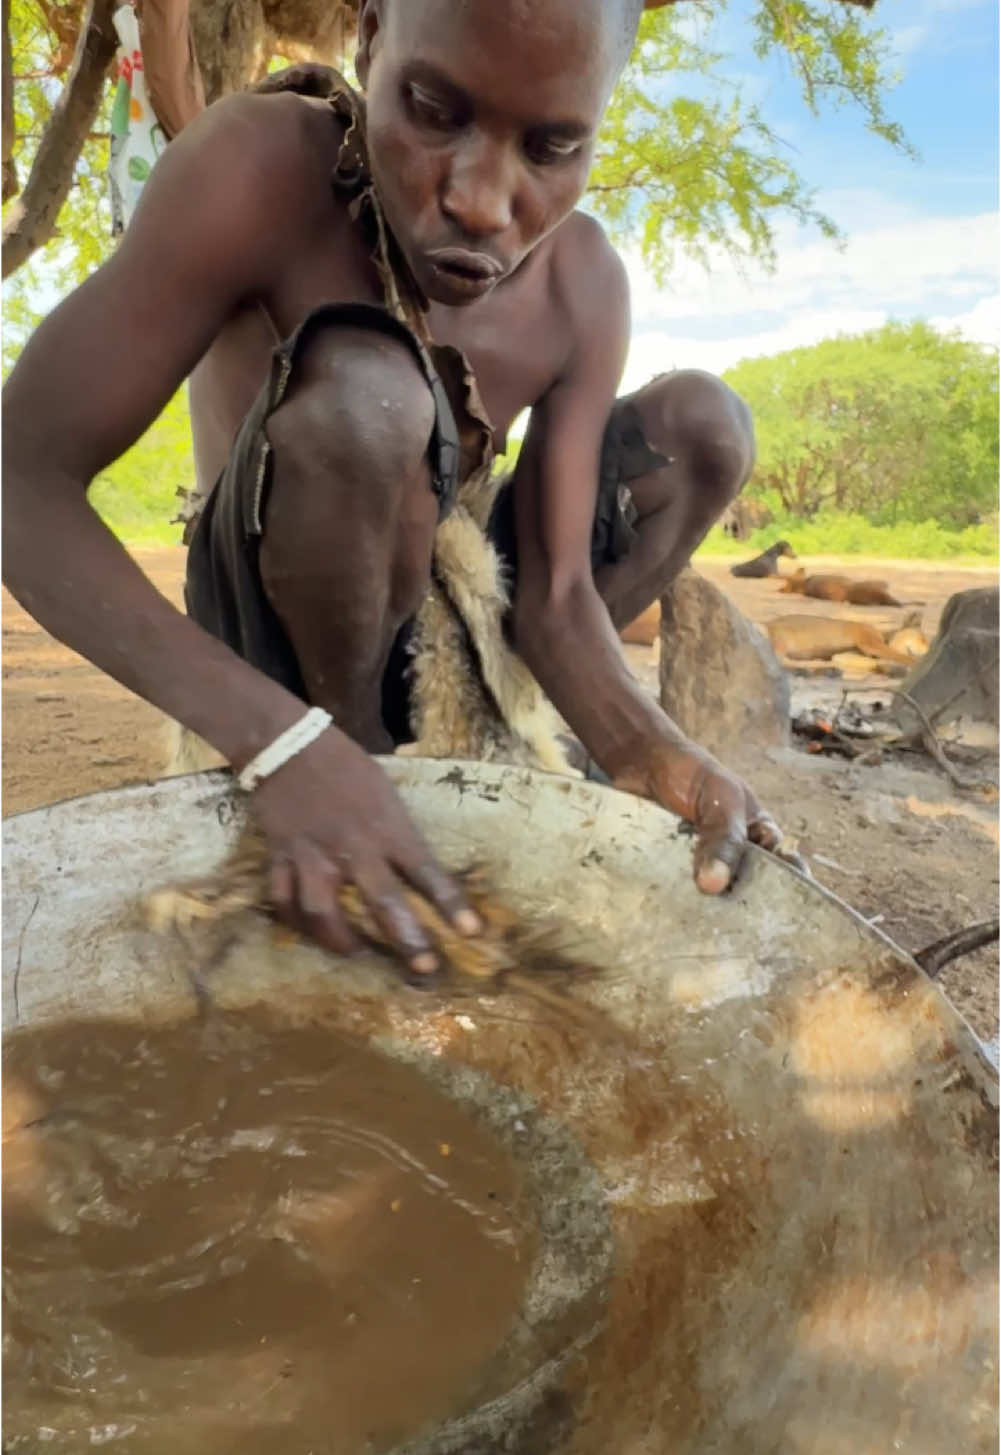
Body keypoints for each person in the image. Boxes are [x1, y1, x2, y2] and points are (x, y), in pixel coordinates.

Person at [3, 0, 781, 979]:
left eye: (550, 147)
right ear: (371, 43)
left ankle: (503, 742)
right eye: (432, 110)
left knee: (704, 428)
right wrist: (280, 746)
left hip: (454, 608)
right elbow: (19, 476)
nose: (481, 201)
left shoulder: (582, 280)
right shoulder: (261, 168)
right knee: (369, 397)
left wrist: (644, 745)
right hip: (274, 616)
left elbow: (553, 593)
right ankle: (353, 780)